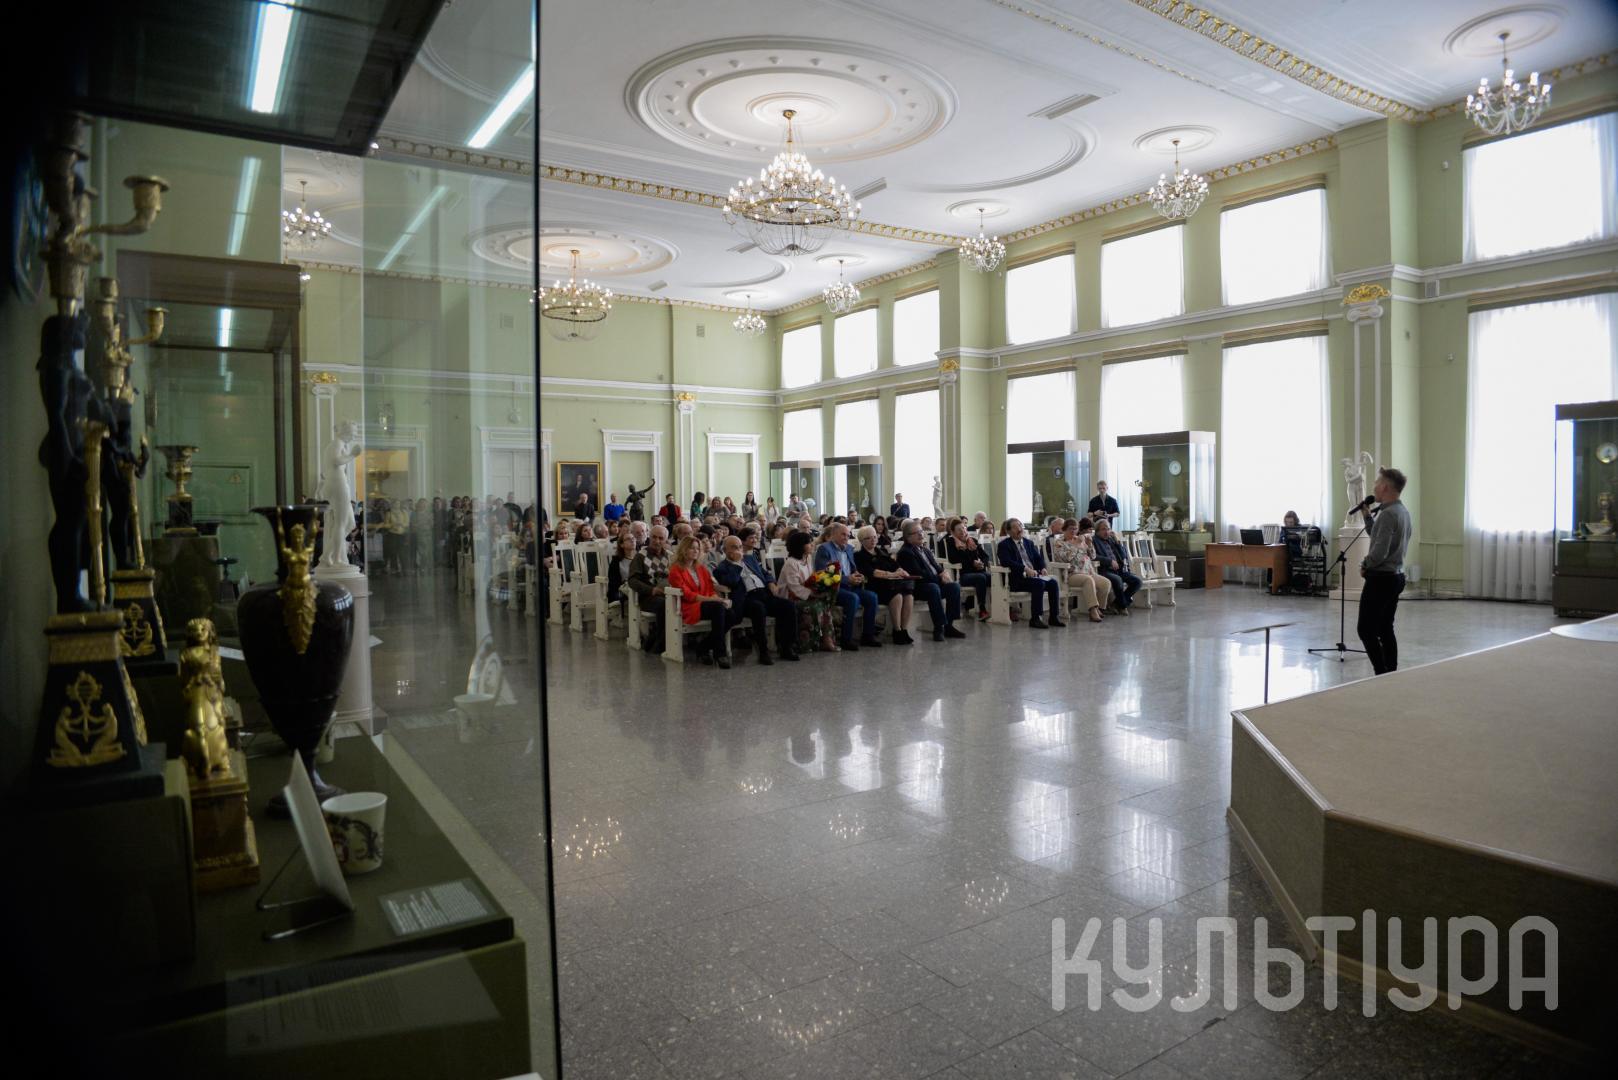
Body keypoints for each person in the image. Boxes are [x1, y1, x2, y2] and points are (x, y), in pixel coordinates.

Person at [1357, 467, 1412, 675]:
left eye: (1376, 483)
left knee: (1366, 629)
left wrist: (1365, 564)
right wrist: (1366, 515)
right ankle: (1391, 673)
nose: (1374, 487)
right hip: (1396, 576)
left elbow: (1379, 552)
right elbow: (1378, 535)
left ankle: (1381, 673)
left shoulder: (1388, 514)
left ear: (1385, 487)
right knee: (1385, 627)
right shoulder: (1402, 511)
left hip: (1381, 579)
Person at [714, 534, 799, 664]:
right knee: (759, 609)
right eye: (734, 547)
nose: (738, 550)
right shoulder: (722, 567)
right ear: (725, 550)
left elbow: (765, 573)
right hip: (746, 599)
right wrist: (737, 564)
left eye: (740, 547)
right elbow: (731, 582)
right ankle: (763, 651)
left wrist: (770, 582)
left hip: (764, 593)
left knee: (788, 606)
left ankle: (787, 647)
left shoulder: (750, 558)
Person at [667, 534, 734, 667]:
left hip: (706, 604)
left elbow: (710, 589)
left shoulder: (701, 568)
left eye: (698, 548)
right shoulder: (676, 570)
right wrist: (713, 600)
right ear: (684, 549)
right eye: (692, 548)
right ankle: (720, 653)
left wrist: (717, 598)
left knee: (731, 614)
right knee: (718, 608)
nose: (695, 551)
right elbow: (688, 595)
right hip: (689, 606)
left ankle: (703, 647)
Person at [814, 522, 882, 651]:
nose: (846, 537)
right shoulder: (825, 549)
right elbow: (823, 576)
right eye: (843, 534)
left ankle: (868, 636)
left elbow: (852, 569)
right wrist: (847, 579)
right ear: (833, 535)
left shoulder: (849, 548)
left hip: (850, 586)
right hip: (833, 588)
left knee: (872, 597)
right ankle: (846, 639)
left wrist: (858, 576)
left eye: (848, 535)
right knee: (853, 598)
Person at [897, 519, 967, 641]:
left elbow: (936, 567)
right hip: (918, 587)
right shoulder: (905, 552)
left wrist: (943, 573)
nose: (921, 534)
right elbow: (919, 574)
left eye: (921, 531)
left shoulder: (924, 549)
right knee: (933, 588)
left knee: (954, 586)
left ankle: (949, 626)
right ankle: (939, 628)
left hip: (932, 583)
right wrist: (939, 577)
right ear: (908, 537)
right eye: (917, 533)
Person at [997, 518, 1065, 628]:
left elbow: (1038, 558)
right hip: (1017, 579)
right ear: (1008, 531)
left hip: (1033, 576)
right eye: (1015, 527)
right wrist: (1024, 568)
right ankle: (1035, 618)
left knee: (1053, 583)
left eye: (1020, 525)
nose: (1019, 529)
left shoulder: (1028, 543)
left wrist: (1042, 568)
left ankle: (1054, 617)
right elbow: (1006, 562)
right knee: (1039, 584)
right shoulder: (1004, 545)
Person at [779, 529, 839, 653]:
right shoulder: (791, 563)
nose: (812, 545)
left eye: (812, 542)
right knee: (814, 607)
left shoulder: (808, 558)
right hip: (790, 597)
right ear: (800, 546)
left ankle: (826, 639)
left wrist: (821, 584)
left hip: (806, 593)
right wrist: (814, 594)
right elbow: (794, 587)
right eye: (808, 543)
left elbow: (811, 578)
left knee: (825, 604)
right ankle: (809, 643)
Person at [854, 524, 913, 644]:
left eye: (874, 537)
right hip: (874, 586)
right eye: (868, 538)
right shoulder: (859, 556)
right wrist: (892, 574)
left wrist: (901, 571)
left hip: (890, 584)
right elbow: (872, 572)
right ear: (861, 541)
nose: (873, 540)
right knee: (897, 595)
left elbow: (895, 565)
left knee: (909, 595)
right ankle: (897, 630)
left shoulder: (882, 552)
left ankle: (904, 630)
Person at [1052, 518, 1110, 623]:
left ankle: (1099, 608)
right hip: (1071, 574)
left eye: (1075, 529)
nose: (1073, 531)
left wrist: (1090, 544)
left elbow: (1093, 556)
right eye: (1071, 529)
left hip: (1088, 572)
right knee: (1088, 580)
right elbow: (1066, 559)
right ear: (1064, 529)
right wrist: (1076, 545)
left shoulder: (1080, 539)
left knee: (1106, 583)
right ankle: (1092, 611)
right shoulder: (1059, 542)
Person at [626, 526, 673, 652]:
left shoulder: (670, 556)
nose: (657, 541)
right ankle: (661, 644)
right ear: (649, 537)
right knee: (666, 605)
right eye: (654, 537)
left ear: (666, 540)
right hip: (648, 597)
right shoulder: (640, 556)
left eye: (661, 538)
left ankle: (657, 640)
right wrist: (651, 590)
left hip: (668, 594)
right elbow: (632, 580)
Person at [945, 520, 993, 621]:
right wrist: (972, 563)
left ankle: (998, 608)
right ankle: (982, 609)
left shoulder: (972, 540)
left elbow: (985, 556)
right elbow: (954, 559)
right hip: (963, 574)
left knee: (993, 577)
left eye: (963, 528)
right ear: (953, 532)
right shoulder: (951, 542)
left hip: (978, 570)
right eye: (959, 530)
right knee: (981, 577)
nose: (962, 531)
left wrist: (982, 563)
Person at [1091, 519, 1140, 614]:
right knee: (1118, 580)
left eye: (1108, 529)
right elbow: (1093, 556)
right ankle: (1123, 606)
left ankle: (1117, 604)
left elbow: (1123, 555)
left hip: (1119, 570)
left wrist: (1117, 542)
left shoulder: (1111, 540)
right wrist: (1109, 561)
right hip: (1104, 570)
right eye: (1103, 529)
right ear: (1097, 531)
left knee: (1137, 581)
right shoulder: (1094, 540)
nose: (1106, 532)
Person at [605, 532, 637, 621]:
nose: (632, 540)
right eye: (628, 539)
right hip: (621, 591)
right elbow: (613, 583)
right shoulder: (616, 561)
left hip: (637, 589)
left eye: (633, 538)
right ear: (622, 545)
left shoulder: (640, 558)